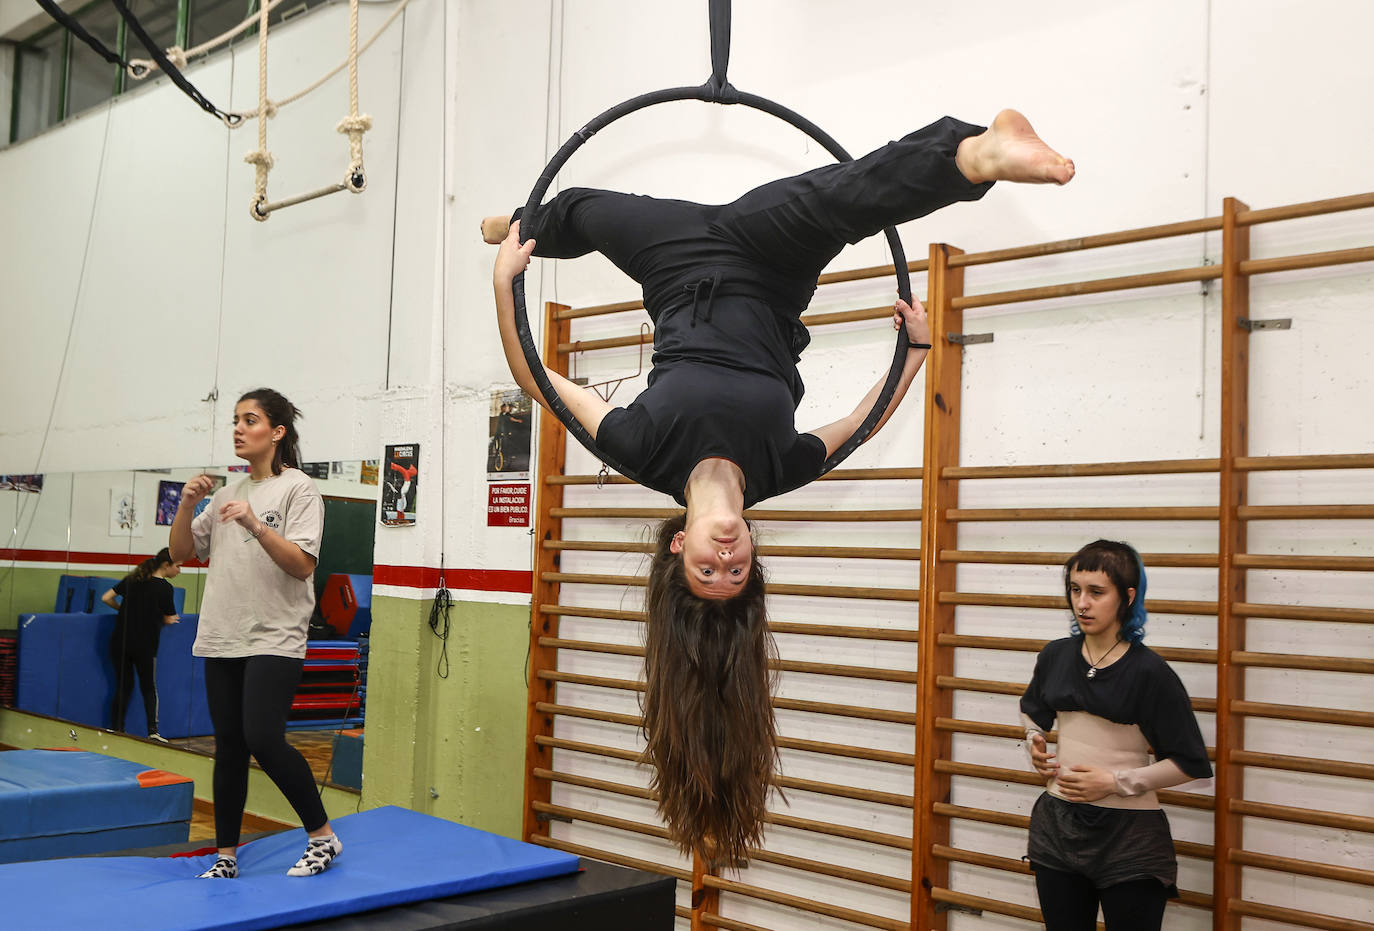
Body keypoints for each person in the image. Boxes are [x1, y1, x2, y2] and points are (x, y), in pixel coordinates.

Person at [488, 109, 1075, 865]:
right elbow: (858, 425)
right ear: (753, 551)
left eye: (709, 568)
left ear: (680, 545)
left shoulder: (643, 451)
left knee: (579, 211)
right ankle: (979, 151)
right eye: (738, 570)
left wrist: (506, 284)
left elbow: (538, 380)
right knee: (841, 199)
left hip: (670, 266)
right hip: (770, 262)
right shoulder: (776, 467)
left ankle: (509, 224)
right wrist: (918, 351)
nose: (726, 554)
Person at [169, 387, 341, 879]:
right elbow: (181, 553)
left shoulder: (299, 489)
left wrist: (257, 525)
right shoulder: (226, 494)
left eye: (251, 420)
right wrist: (186, 505)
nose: (239, 429)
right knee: (230, 745)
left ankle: (323, 837)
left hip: (275, 636)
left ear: (277, 432)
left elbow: (303, 566)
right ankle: (225, 857)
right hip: (224, 633)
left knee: (263, 738)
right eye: (236, 421)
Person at [1020, 540, 1213, 930]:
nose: (1082, 603)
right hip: (1056, 827)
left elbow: (1190, 763)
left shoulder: (1151, 672)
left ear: (1127, 596)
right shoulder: (1055, 655)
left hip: (1130, 838)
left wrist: (1116, 782)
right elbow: (1032, 709)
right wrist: (1033, 740)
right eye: (1075, 590)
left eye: (1096, 592)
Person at [101, 547, 181, 741]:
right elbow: (170, 618)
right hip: (145, 645)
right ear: (166, 565)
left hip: (120, 642)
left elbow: (106, 598)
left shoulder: (133, 579)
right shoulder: (165, 588)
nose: (179, 571)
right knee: (148, 688)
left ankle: (117, 729)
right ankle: (153, 731)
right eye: (178, 566)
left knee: (123, 686)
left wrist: (123, 609)